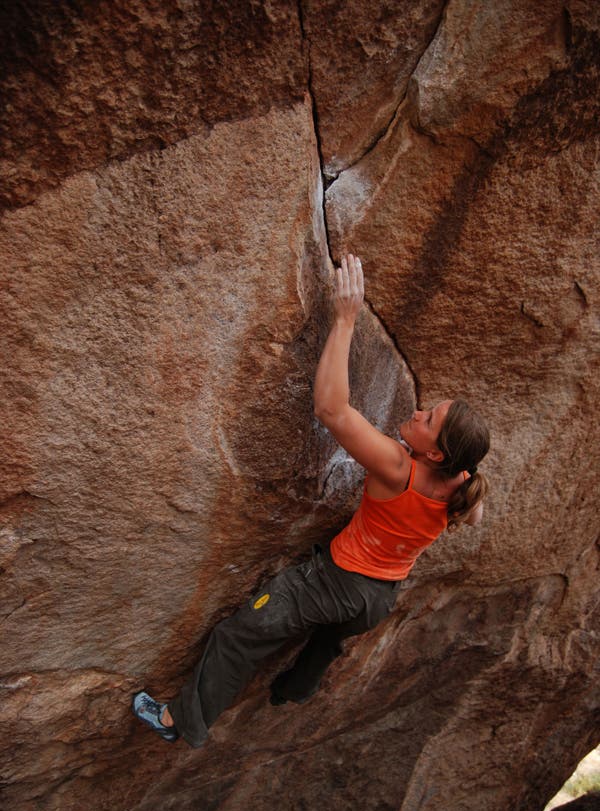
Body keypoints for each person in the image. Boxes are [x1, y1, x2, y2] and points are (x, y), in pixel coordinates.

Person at [132, 254, 490, 747]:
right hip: (378, 599)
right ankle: (297, 686)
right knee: (328, 634)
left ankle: (180, 722)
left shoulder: (397, 467)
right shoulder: (460, 486)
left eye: (429, 420)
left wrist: (345, 319)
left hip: (334, 583)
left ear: (436, 454)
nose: (419, 411)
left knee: (240, 634)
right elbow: (473, 507)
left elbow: (331, 408)